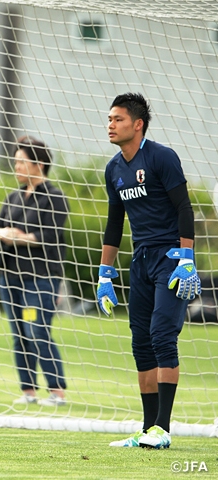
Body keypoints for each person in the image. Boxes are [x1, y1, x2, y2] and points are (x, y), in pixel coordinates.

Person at [98, 93, 201, 449]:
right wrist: (104, 274)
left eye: (118, 119)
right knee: (140, 342)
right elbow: (114, 224)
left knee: (161, 335)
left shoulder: (161, 157)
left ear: (137, 124)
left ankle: (163, 428)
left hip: (171, 258)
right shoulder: (114, 169)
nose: (110, 125)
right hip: (139, 260)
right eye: (109, 119)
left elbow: (184, 208)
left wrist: (187, 259)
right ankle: (147, 430)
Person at [0, 136, 69, 407]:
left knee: (38, 331)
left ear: (39, 164)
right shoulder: (13, 196)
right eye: (16, 162)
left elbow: (50, 236)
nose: (17, 167)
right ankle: (28, 390)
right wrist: (3, 233)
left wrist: (19, 237)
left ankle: (56, 390)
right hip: (10, 275)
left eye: (22, 162)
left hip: (41, 277)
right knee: (19, 332)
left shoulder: (55, 197)